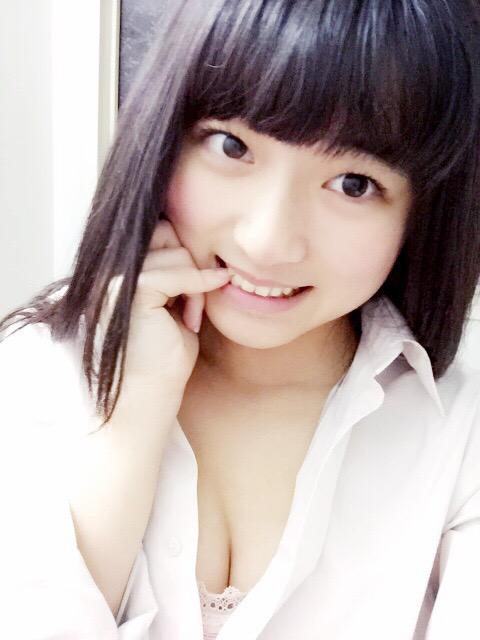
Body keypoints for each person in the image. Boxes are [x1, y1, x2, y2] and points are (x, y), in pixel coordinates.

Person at [1, 0, 480, 638]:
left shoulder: (460, 435)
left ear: (420, 210)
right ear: (165, 137)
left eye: (353, 184)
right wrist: (131, 417)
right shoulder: (34, 374)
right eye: (233, 147)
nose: (268, 241)